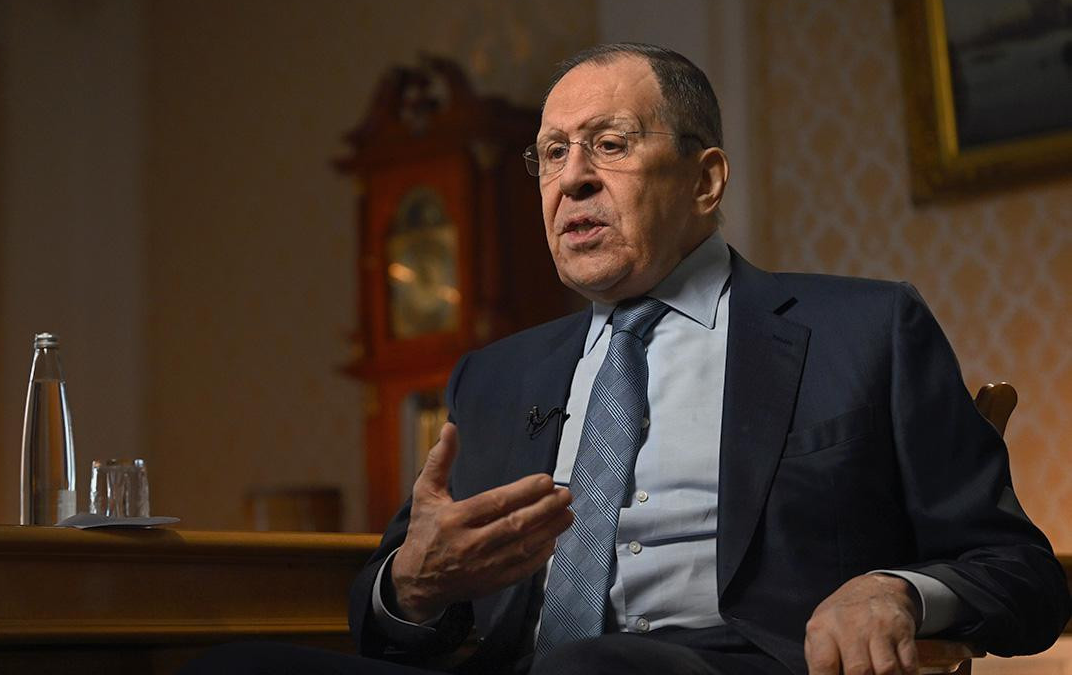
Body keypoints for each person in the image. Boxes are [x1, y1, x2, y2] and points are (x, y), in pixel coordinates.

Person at [340, 43, 1070, 675]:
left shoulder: (865, 331)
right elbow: (387, 619)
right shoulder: (493, 377)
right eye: (553, 153)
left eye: (611, 144)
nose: (572, 179)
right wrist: (411, 586)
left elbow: (1022, 574)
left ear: (705, 181)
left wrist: (896, 591)